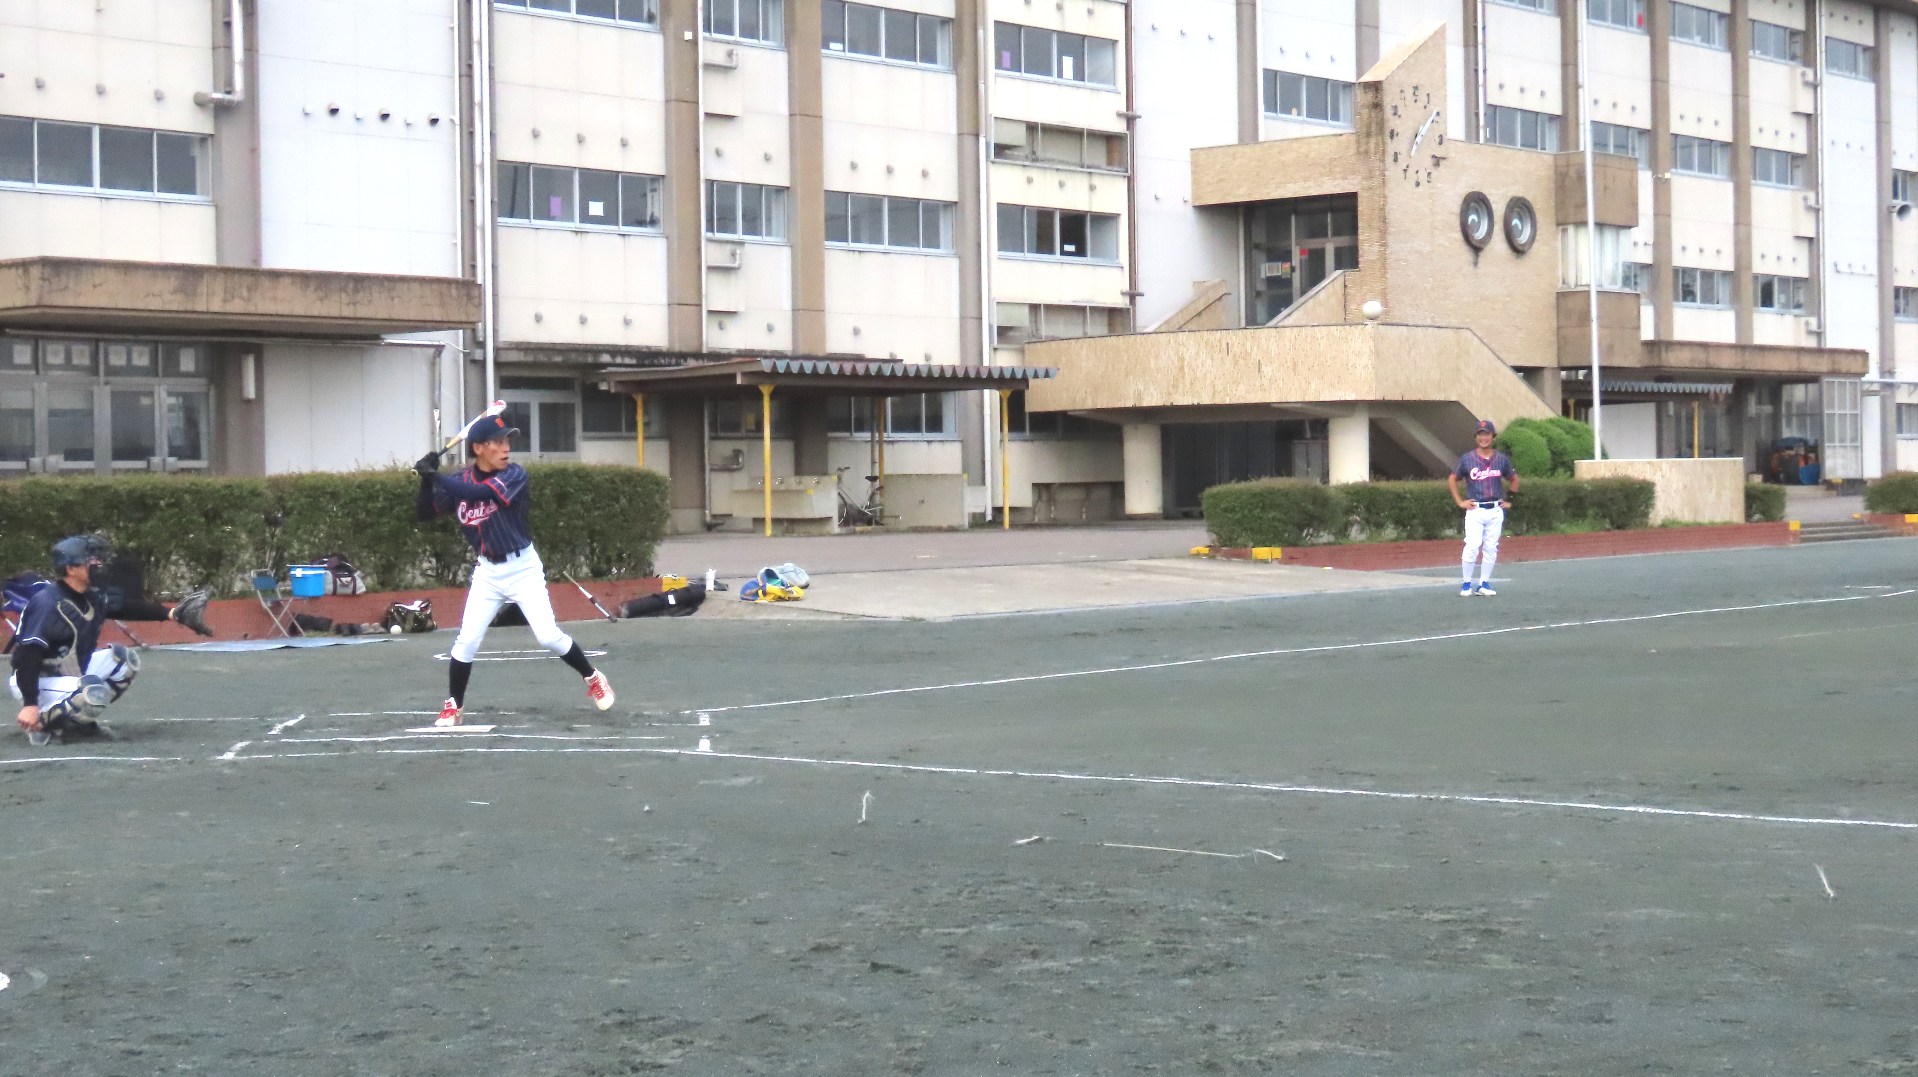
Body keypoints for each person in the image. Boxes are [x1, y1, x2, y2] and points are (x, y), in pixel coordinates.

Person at [414, 414, 614, 726]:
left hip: (523, 568)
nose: (506, 447)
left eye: (507, 440)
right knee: (466, 640)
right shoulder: (460, 480)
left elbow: (479, 494)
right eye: (498, 442)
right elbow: (425, 513)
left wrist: (436, 476)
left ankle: (592, 676)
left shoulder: (514, 475)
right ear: (478, 448)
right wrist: (426, 480)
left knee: (548, 636)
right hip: (487, 572)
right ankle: (454, 705)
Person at [10, 535, 213, 746]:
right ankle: (42, 726)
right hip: (38, 679)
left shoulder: (90, 595)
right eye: (91, 560)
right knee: (92, 689)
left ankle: (78, 723)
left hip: (68, 673)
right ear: (70, 569)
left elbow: (126, 607)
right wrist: (30, 704)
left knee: (123, 662)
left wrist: (173, 614)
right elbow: (27, 655)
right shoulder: (47, 603)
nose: (99, 564)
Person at [1447, 419, 1520, 597]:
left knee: (1491, 548)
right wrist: (1460, 501)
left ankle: (1483, 583)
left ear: (1493, 436)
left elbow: (1514, 479)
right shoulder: (1467, 459)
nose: (1483, 438)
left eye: (1487, 434)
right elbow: (1452, 479)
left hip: (1495, 509)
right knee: (1472, 546)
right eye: (1480, 434)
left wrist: (1510, 499)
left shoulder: (1501, 459)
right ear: (1476, 437)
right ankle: (1466, 583)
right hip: (1475, 509)